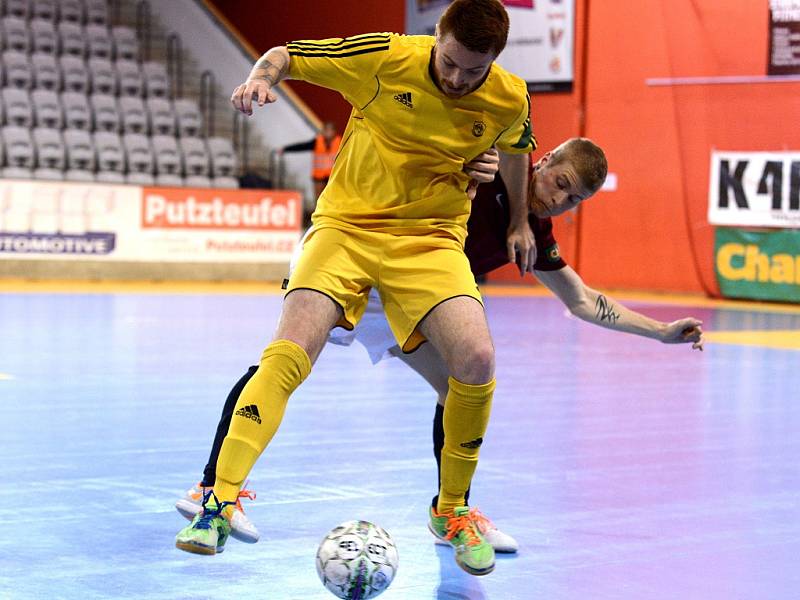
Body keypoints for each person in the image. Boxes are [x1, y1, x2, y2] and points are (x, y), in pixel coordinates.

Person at [175, 138, 705, 561]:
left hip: (410, 301)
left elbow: (584, 300)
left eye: (574, 200)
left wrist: (659, 332)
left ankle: (451, 513)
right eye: (560, 183)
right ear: (542, 162)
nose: (559, 200)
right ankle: (211, 492)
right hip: (356, 259)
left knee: (461, 383)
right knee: (285, 361)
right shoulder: (488, 165)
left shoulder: (535, 231)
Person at [176, 0, 536, 577]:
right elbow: (284, 56)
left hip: (429, 240)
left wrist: (519, 219)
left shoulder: (508, 95)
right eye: (450, 63)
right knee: (290, 351)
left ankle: (452, 512)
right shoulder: (385, 56)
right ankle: (217, 501)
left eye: (475, 70)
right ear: (435, 37)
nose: (458, 80)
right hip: (345, 227)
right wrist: (258, 81)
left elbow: (519, 147)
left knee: (477, 358)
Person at [278, 120, 342, 224]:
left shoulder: (341, 142)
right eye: (325, 130)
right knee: (319, 201)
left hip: (333, 178)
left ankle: (334, 221)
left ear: (334, 131)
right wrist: (285, 149)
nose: (327, 133)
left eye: (330, 130)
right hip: (319, 178)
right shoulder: (317, 141)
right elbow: (301, 146)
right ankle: (319, 222)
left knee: (334, 200)